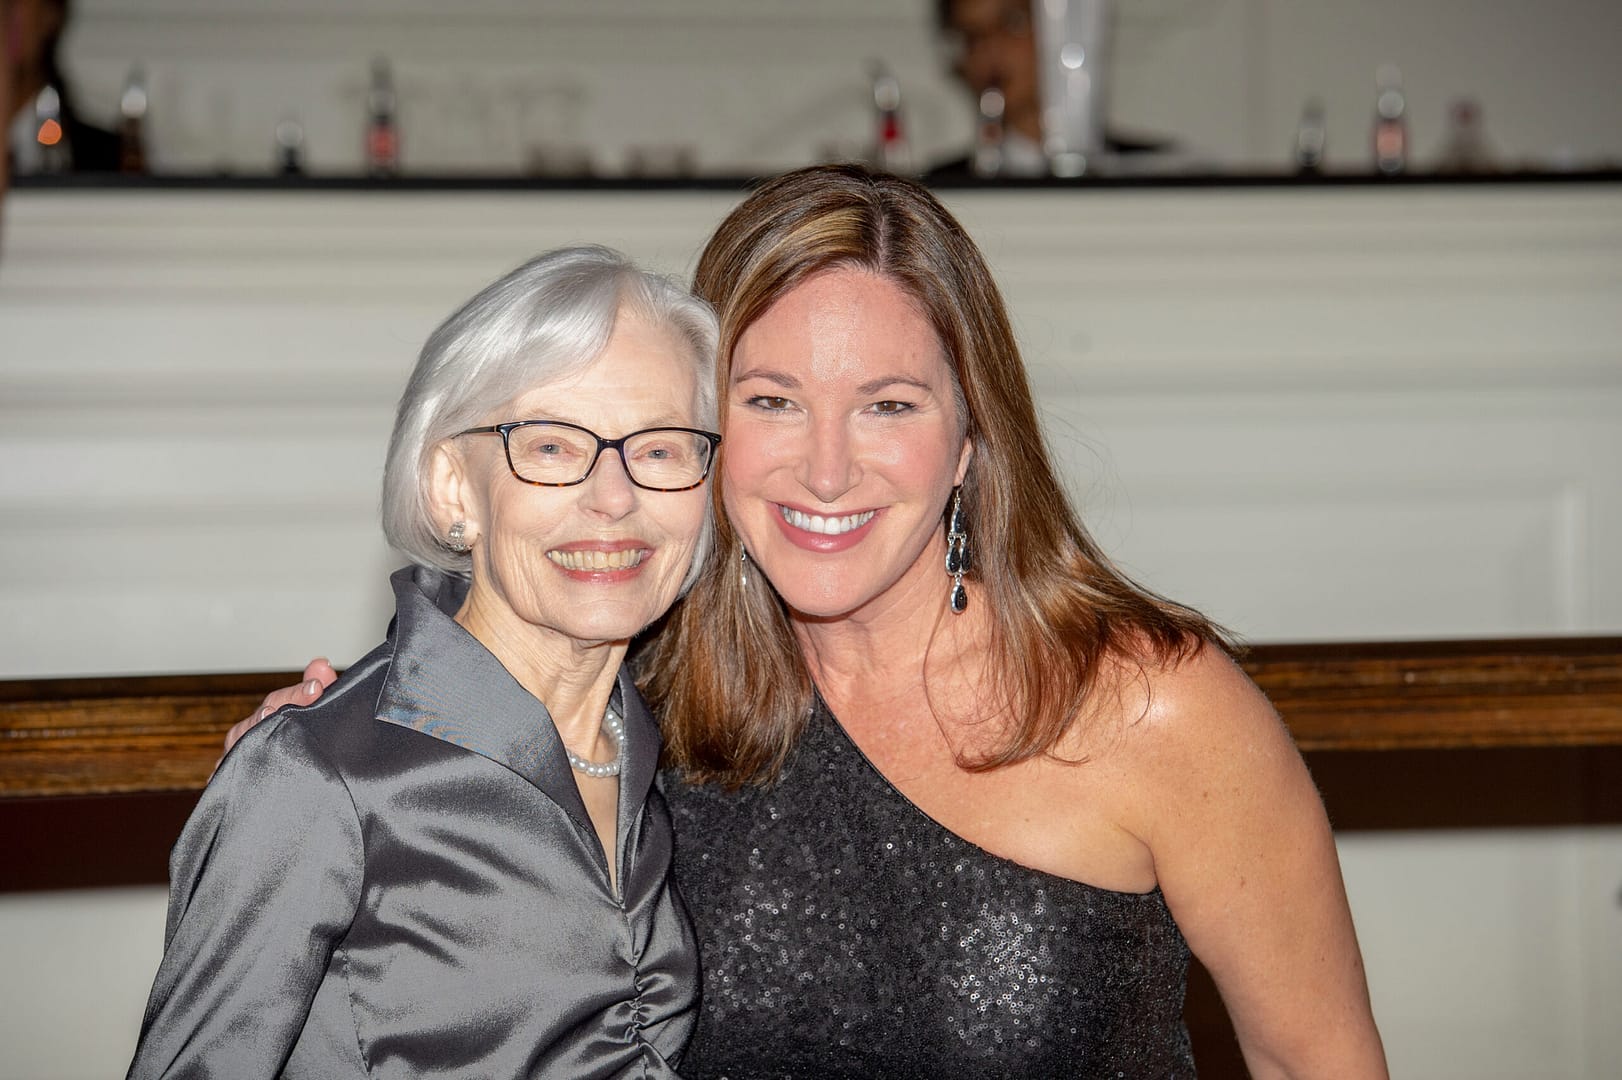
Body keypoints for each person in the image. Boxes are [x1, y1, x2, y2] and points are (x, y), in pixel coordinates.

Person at [239, 166, 1387, 1078]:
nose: (825, 470)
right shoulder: (637, 703)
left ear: (969, 441)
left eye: (887, 405)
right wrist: (330, 743)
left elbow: (1315, 1061)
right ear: (699, 431)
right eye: (771, 401)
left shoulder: (1148, 706)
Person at [132, 246, 721, 1078]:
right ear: (453, 488)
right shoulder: (320, 775)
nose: (614, 497)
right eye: (552, 447)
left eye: (659, 449)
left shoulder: (657, 750)